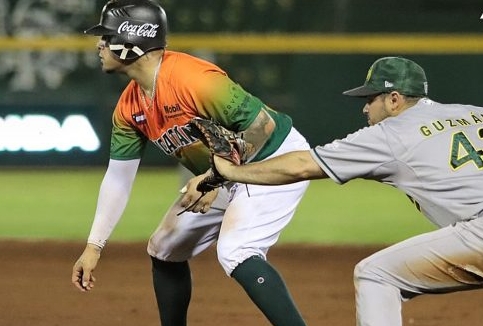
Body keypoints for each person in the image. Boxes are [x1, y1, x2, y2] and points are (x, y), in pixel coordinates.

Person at [71, 0, 310, 325]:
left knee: (236, 250)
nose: (100, 44)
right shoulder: (129, 108)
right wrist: (94, 247)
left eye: (106, 36)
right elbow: (118, 180)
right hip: (222, 172)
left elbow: (262, 128)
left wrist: (212, 178)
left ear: (130, 42)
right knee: (165, 247)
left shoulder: (193, 79)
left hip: (273, 157)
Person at [213, 56, 483, 326]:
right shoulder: (474, 112)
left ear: (394, 99)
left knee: (376, 275)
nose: (365, 109)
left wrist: (231, 172)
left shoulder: (391, 133)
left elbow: (301, 165)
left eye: (370, 99)